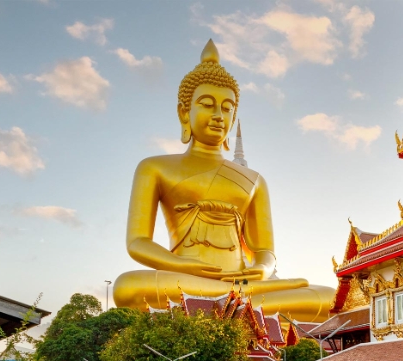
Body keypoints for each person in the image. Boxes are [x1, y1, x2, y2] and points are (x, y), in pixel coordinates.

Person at [112, 39, 333, 322]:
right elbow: (138, 242)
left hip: (244, 285)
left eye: (227, 108)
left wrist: (262, 270)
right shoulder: (154, 167)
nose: (218, 115)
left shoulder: (254, 180)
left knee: (324, 296)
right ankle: (230, 302)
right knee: (127, 287)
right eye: (207, 104)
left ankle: (230, 301)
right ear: (184, 112)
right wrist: (181, 265)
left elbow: (265, 251)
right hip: (186, 280)